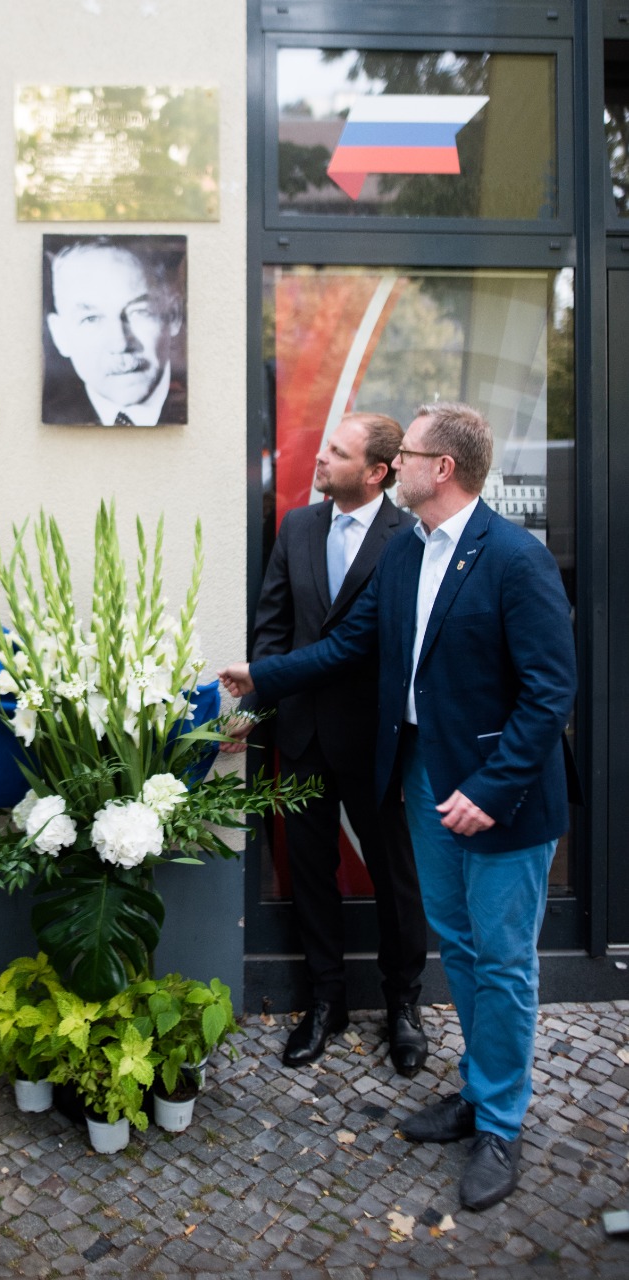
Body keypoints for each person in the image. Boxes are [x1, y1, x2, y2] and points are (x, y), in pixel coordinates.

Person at [220, 403, 577, 1214]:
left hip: (500, 798)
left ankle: (502, 1124)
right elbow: (351, 645)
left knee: (505, 961)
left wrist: (489, 790)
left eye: (407, 453)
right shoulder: (410, 552)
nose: (397, 465)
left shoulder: (516, 560)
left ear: (437, 469)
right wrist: (262, 676)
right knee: (461, 944)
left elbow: (551, 693)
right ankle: (480, 1096)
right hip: (423, 780)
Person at [244, 413, 428, 1075]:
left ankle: (403, 1005)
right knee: (311, 872)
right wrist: (259, 703)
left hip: (376, 741)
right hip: (299, 731)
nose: (319, 459)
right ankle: (326, 1000)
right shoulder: (297, 527)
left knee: (395, 878)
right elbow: (274, 625)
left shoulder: (409, 537)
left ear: (376, 472)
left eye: (337, 453)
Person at [42, 236, 186, 425]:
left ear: (173, 314)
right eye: (91, 319)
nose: (121, 344)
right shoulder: (48, 419)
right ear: (59, 335)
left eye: (139, 312)